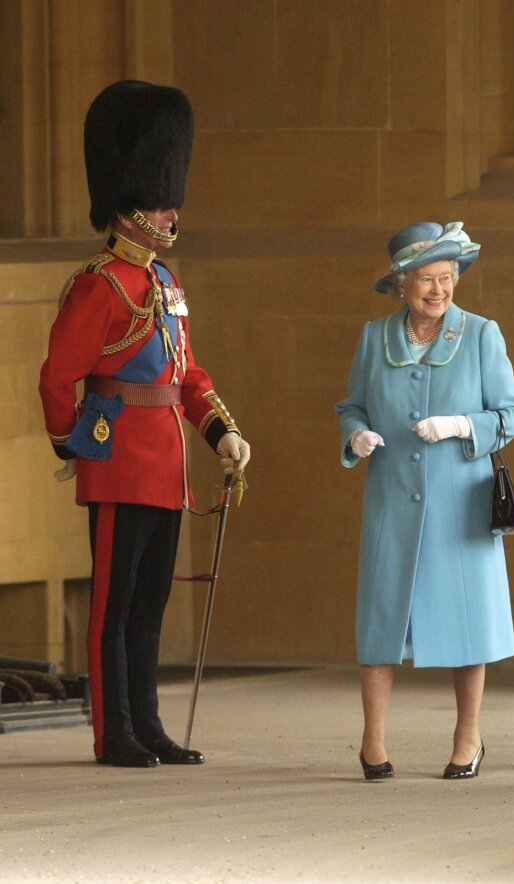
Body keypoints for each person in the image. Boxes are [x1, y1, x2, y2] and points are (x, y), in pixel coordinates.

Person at [39, 81, 250, 768]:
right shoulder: (99, 285)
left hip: (165, 466)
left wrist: (221, 434)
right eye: (160, 199)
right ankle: (113, 732)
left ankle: (148, 725)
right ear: (131, 208)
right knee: (112, 605)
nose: (171, 209)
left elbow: (186, 377)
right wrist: (70, 443)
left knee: (150, 603)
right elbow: (56, 376)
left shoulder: (164, 285)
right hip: (115, 460)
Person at [336, 221, 514, 781]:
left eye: (447, 277)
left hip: (459, 504)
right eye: (426, 279)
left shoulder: (482, 334)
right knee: (380, 624)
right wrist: (356, 435)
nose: (439, 290)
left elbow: (510, 414)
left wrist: (460, 424)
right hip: (392, 500)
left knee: (467, 626)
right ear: (401, 285)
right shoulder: (375, 338)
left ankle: (468, 737)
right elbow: (350, 406)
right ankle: (373, 743)